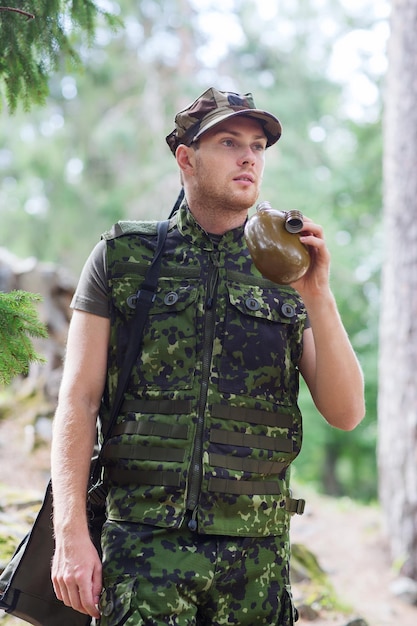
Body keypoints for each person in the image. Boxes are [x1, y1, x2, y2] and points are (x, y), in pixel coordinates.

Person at [50, 87, 365, 625]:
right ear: (186, 158)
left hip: (256, 559)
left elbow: (346, 411)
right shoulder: (124, 257)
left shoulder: (287, 271)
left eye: (258, 145)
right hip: (143, 549)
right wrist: (71, 536)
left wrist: (318, 293)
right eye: (229, 142)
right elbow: (77, 400)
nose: (249, 157)